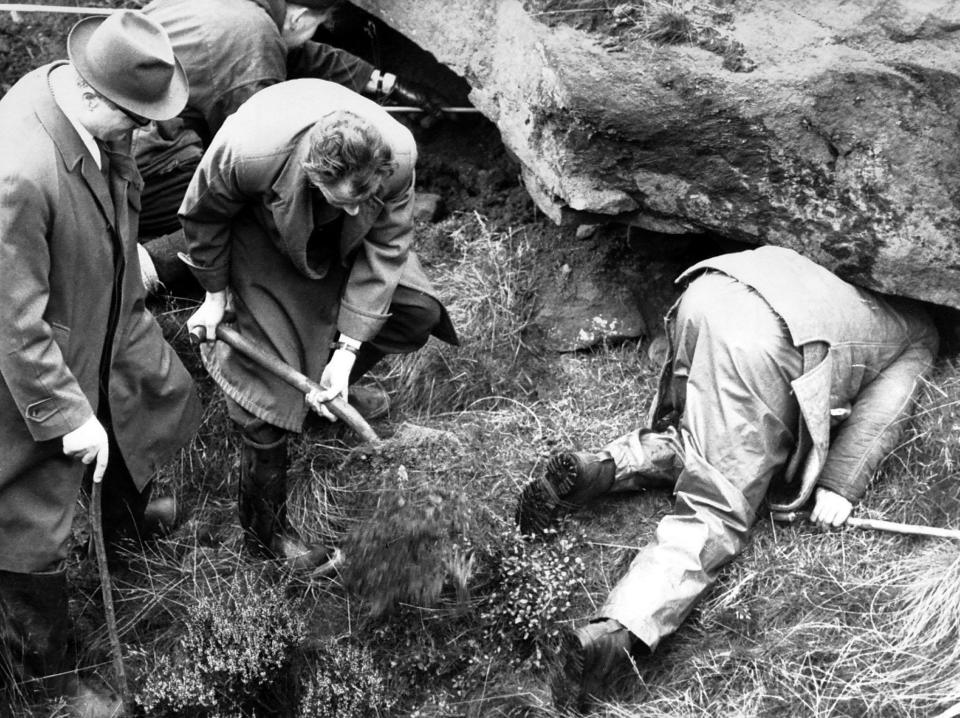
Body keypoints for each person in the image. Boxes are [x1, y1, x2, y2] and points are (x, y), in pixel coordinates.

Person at [515, 245, 939, 712]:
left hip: (713, 291)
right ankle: (613, 635)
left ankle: (600, 469)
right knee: (717, 505)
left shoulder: (857, 285)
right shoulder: (920, 333)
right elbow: (884, 413)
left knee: (700, 432)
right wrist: (840, 486)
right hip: (762, 343)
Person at [0, 10, 201, 714]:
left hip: (98, 313)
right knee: (28, 519)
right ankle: (50, 677)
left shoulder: (76, 100)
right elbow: (11, 323)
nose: (147, 133)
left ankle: (127, 522)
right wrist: (61, 414)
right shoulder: (18, 172)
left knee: (142, 404)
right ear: (92, 95)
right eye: (137, 119)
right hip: (24, 367)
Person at [181, 78, 458, 564]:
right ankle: (268, 540)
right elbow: (203, 216)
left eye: (363, 197)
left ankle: (320, 392)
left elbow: (386, 248)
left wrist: (347, 354)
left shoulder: (398, 154)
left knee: (417, 311)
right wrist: (214, 295)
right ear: (314, 173)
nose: (355, 207)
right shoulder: (249, 152)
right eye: (342, 197)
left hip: (345, 242)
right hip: (262, 232)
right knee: (266, 403)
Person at [135, 0, 450, 291]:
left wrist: (390, 84)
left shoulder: (244, 13)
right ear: (299, 17)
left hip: (130, 130)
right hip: (148, 160)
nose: (314, 33)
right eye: (318, 24)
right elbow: (256, 156)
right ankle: (145, 268)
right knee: (261, 210)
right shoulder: (251, 45)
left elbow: (301, 56)